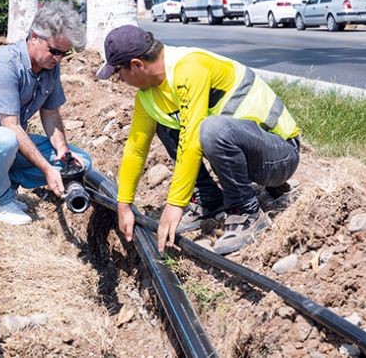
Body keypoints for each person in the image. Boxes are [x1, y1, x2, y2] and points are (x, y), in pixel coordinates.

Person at [97, 25, 300, 254]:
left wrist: (175, 203)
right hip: (251, 158)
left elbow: (192, 138)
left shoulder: (189, 67)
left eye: (119, 73)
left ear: (137, 64)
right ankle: (209, 200)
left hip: (279, 156)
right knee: (165, 123)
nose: (120, 80)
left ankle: (247, 212)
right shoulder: (148, 95)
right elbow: (136, 148)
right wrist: (124, 205)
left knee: (210, 129)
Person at [0, 0, 90, 225]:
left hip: (8, 144)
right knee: (5, 140)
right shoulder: (4, 64)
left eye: (64, 53)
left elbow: (51, 113)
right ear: (34, 37)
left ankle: (4, 181)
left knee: (82, 162)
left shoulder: (50, 67)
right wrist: (46, 169)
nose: (58, 58)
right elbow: (11, 127)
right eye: (54, 51)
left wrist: (63, 153)